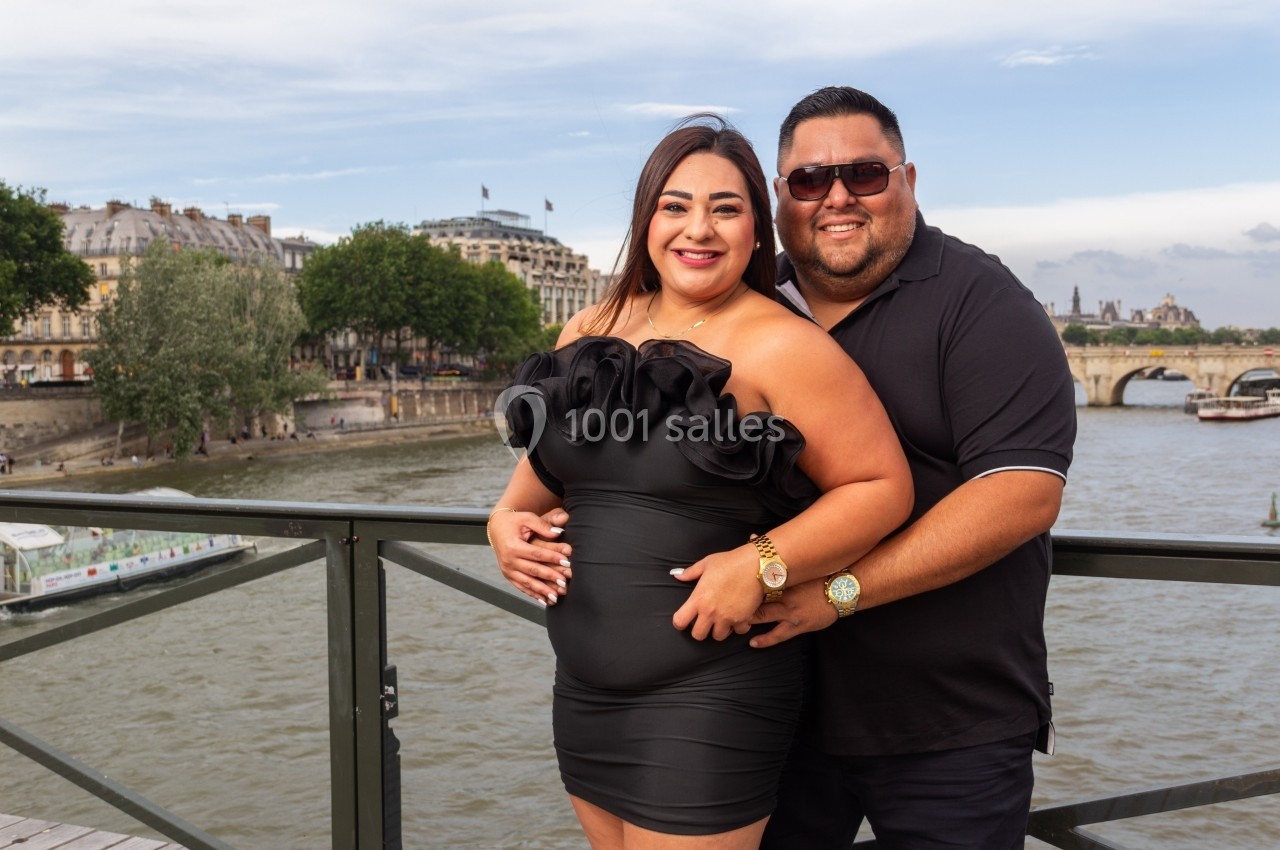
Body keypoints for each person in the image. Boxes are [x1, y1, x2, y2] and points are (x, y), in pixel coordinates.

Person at [489, 117, 913, 849]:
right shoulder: (587, 331)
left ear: (757, 231)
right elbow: (553, 468)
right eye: (676, 205)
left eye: (726, 208)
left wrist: (762, 564)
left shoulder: (787, 348)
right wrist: (502, 519)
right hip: (583, 693)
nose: (700, 229)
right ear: (647, 219)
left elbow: (881, 487)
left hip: (709, 696)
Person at [747, 87, 1077, 848]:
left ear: (908, 180)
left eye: (864, 175)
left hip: (948, 725)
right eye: (808, 180)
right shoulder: (746, 303)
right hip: (767, 711)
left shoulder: (981, 301)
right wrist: (523, 508)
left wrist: (838, 593)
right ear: (779, 196)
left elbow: (1020, 495)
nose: (836, 198)